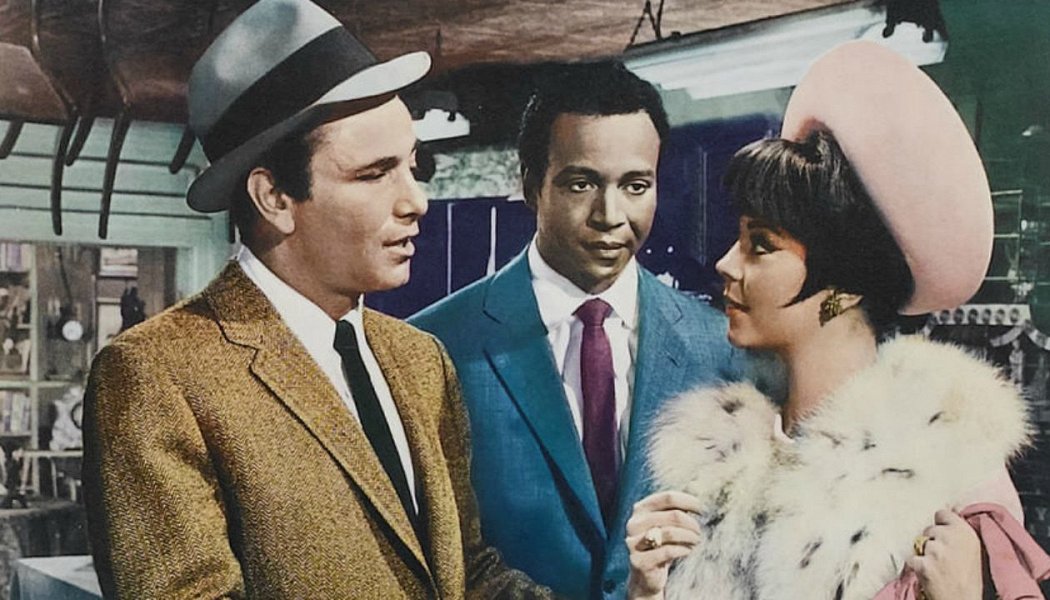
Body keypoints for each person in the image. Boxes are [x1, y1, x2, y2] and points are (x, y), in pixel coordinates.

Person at [82, 1, 552, 597]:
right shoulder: (157, 376)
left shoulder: (421, 360)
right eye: (375, 174)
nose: (416, 201)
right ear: (274, 198)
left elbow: (467, 570)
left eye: (413, 167)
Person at [625, 41, 1050, 600]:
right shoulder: (713, 458)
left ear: (845, 285)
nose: (726, 264)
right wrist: (646, 591)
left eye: (760, 244)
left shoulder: (950, 473)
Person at [410, 61, 745, 599]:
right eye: (582, 184)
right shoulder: (432, 348)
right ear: (530, 186)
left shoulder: (720, 349)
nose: (610, 214)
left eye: (635, 185)